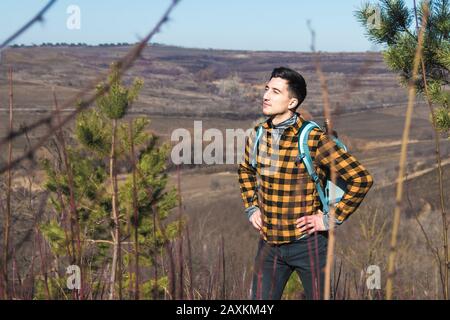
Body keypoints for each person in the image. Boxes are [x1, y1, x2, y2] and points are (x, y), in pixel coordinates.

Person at [237, 66, 374, 300]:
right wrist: (252, 207)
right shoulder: (258, 135)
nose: (266, 95)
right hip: (269, 246)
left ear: (292, 102)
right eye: (267, 89)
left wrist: (329, 219)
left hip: (309, 246)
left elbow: (361, 179)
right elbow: (245, 170)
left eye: (276, 92)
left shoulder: (312, 139)